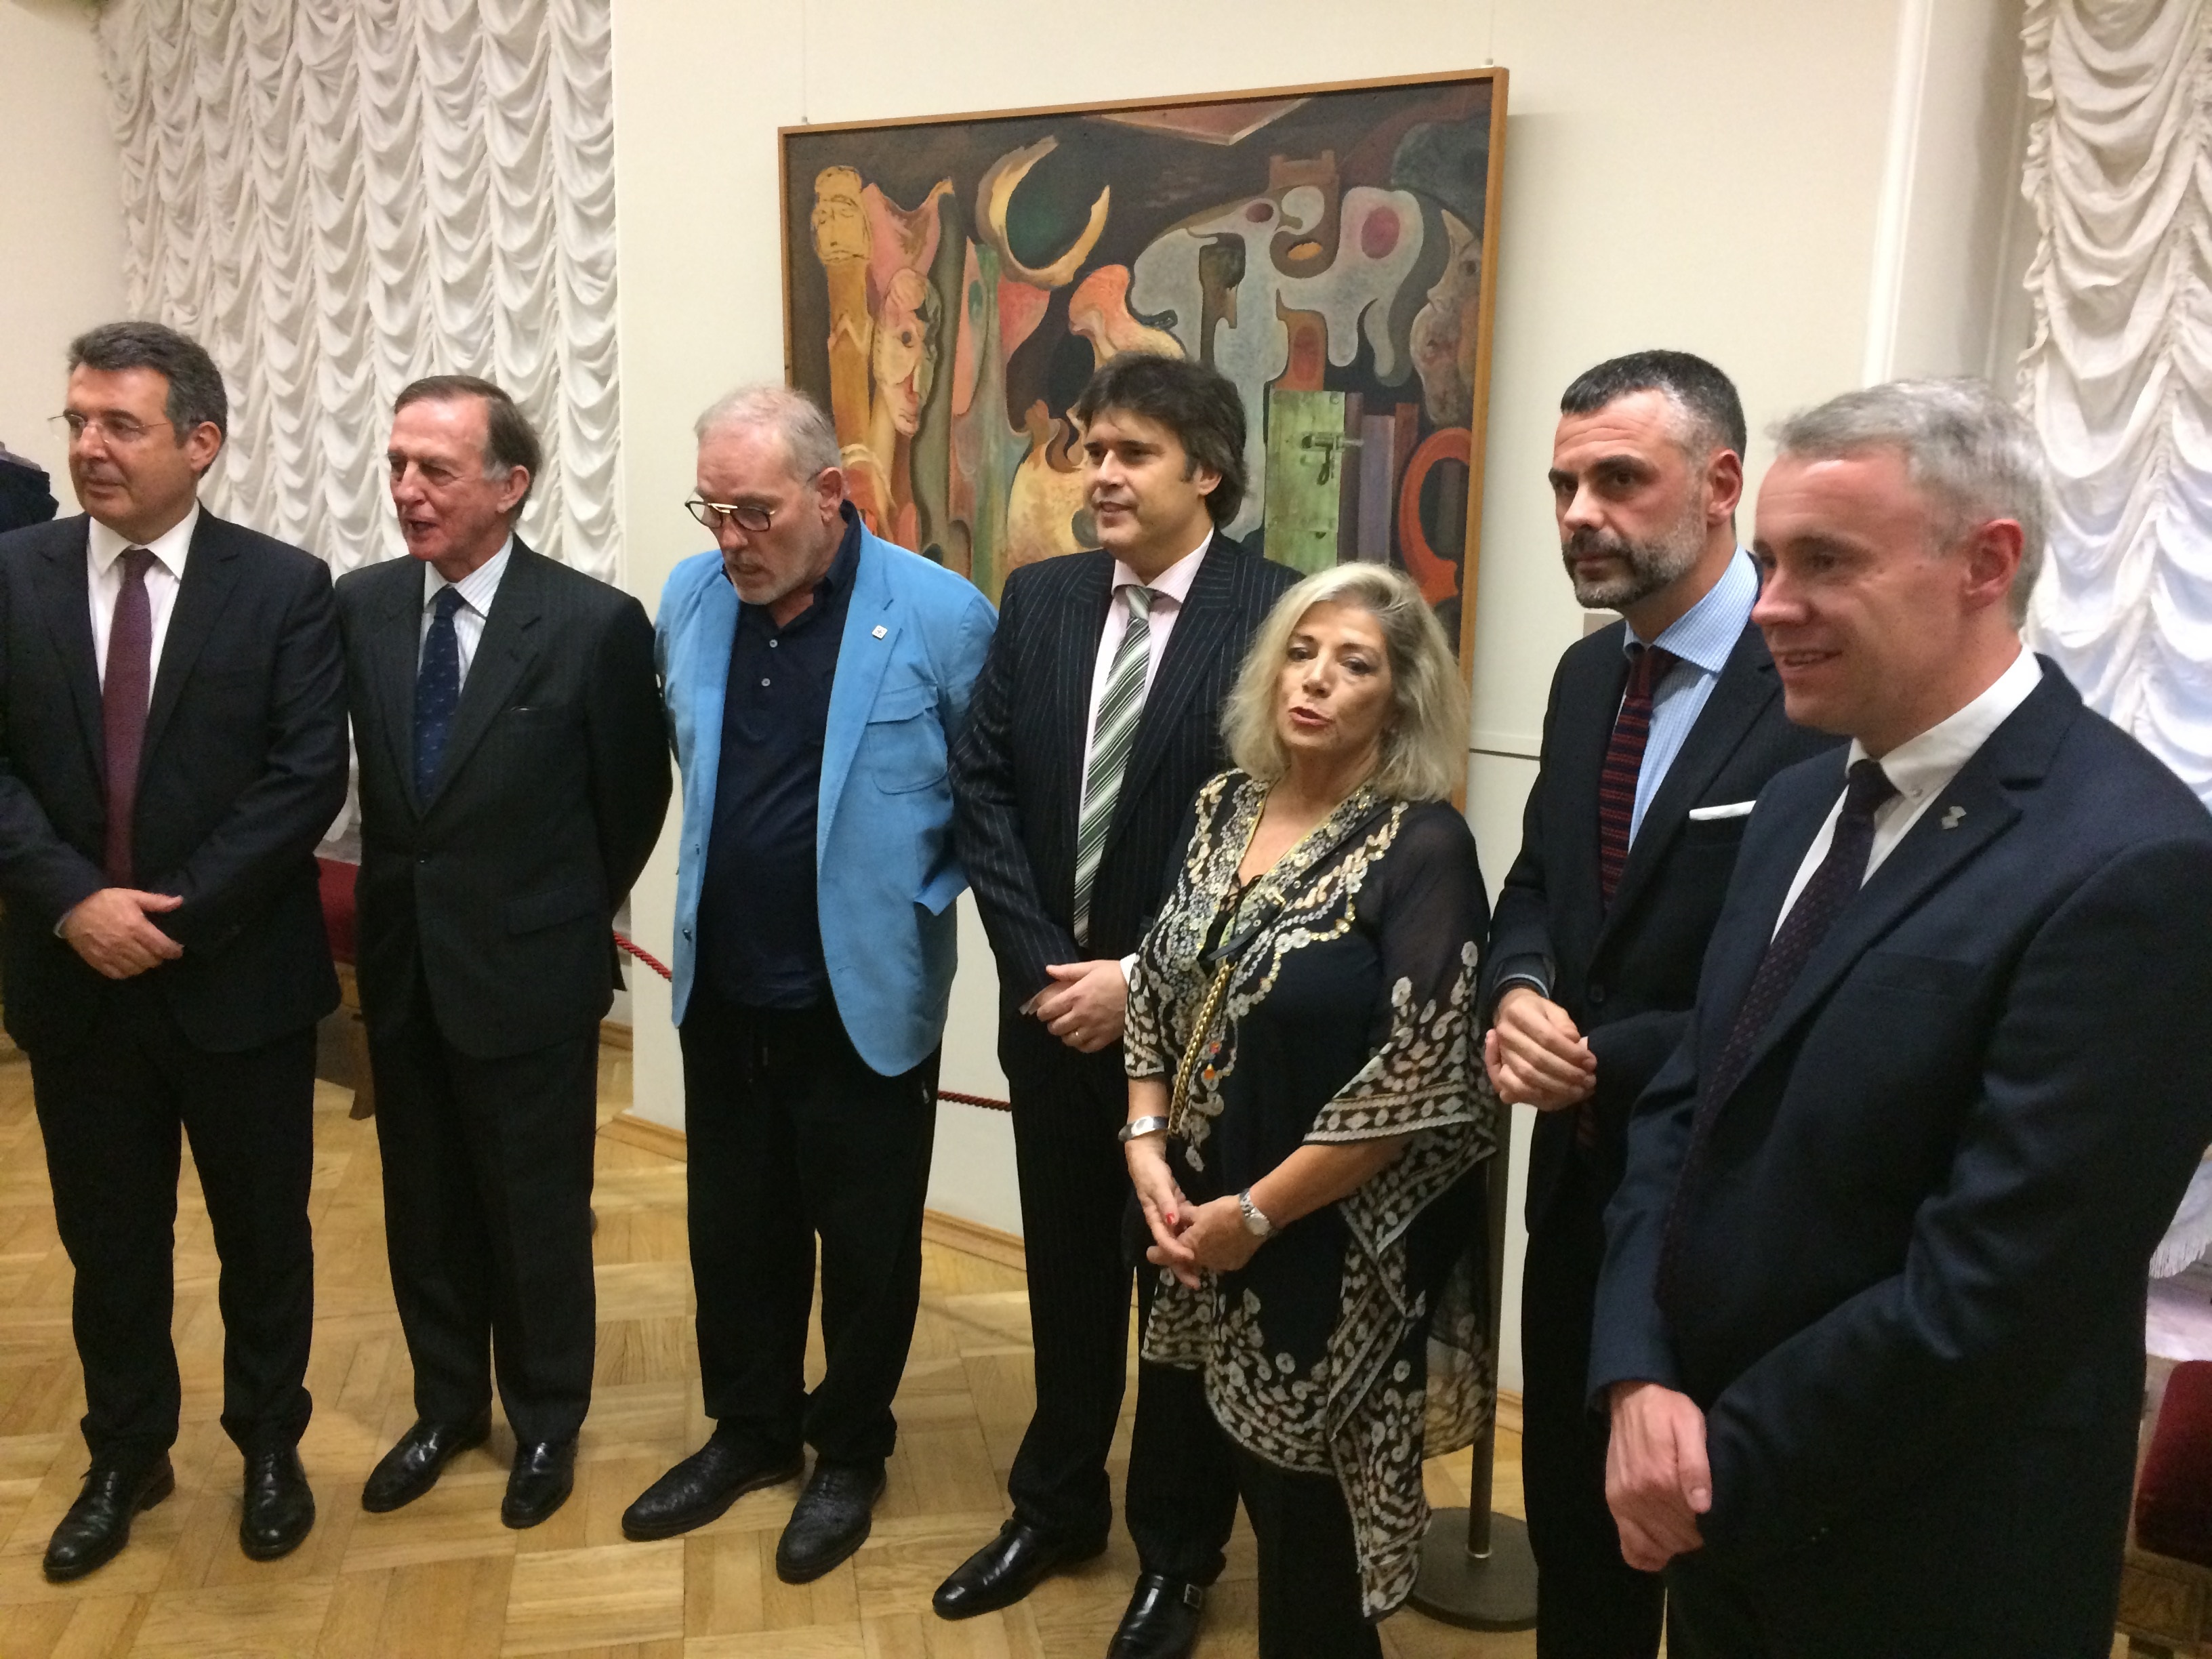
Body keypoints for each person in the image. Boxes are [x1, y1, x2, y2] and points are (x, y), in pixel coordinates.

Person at [1591, 379, 2212, 1657]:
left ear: (1986, 562)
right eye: (1769, 561)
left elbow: (2002, 1286)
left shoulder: (2136, 861)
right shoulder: (1794, 807)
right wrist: (1638, 1370)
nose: (1770, 604)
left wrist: (1714, 1468)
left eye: (1826, 562)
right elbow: (1689, 1107)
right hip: (1713, 1516)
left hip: (1926, 1554)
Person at [1481, 350, 1837, 1657]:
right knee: (1578, 1542)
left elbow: (1817, 972)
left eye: (1619, 479)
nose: (1580, 514)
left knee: (1728, 1565)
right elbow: (1538, 886)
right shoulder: (1589, 679)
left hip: (1739, 1211)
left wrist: (1604, 1053)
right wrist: (1518, 990)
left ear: (1721, 482)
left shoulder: (1815, 685)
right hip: (1579, 1187)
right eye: (1563, 484)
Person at [943, 352, 1298, 1652]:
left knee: (1182, 1294)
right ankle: (1055, 1506)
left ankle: (1177, 1554)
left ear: (1208, 471)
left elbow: (1290, 831)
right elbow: (982, 786)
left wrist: (1139, 981)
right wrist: (1049, 970)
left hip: (1201, 1040)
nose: (1101, 473)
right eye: (1093, 449)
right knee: (1067, 1273)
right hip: (1051, 1019)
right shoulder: (1039, 599)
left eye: (1133, 453)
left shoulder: (1281, 615)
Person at [626, 384, 994, 1582]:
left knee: (869, 1245)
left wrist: (920, 897)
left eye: (756, 512)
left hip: (864, 998)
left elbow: (993, 801)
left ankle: (849, 1451)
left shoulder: (941, 616)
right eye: (712, 510)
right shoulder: (690, 600)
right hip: (725, 988)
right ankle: (750, 1431)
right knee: (735, 1232)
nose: (731, 538)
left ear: (831, 494)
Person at [0, 321, 347, 1578]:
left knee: (265, 1239)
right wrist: (75, 905)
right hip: (72, 981)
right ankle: (125, 1454)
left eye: (120, 424)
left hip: (238, 982)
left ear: (201, 443)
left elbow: (302, 779)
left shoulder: (285, 586)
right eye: (77, 421)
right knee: (109, 1243)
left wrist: (166, 919)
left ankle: (269, 1446)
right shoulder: (13, 575)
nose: (89, 447)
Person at [1123, 563, 1493, 1659]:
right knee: (1196, 1434)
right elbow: (1154, 982)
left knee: (1307, 1522)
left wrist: (1255, 1216)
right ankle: (1182, 1579)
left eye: (1354, 664)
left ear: (1401, 698)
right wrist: (1145, 1142)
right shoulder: (1221, 806)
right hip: (1190, 1213)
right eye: (1301, 652)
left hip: (1321, 1241)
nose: (1317, 680)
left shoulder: (1424, 846)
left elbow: (1414, 1081)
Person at [337, 375, 670, 1528]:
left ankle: (544, 1422)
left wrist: (549, 914)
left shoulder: (591, 624)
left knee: (535, 1217)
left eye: (435, 469)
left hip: (529, 975)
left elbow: (630, 803)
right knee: (423, 1206)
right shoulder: (363, 607)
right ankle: (444, 1407)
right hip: (403, 970)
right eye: (397, 465)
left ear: (510, 484)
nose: (407, 490)